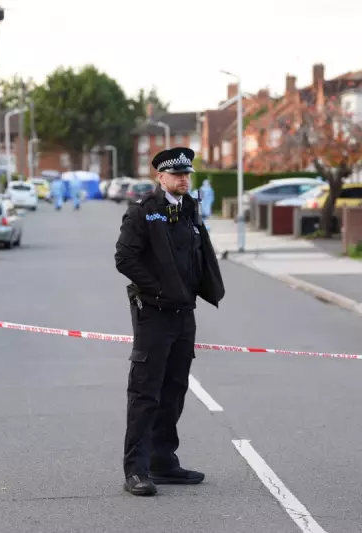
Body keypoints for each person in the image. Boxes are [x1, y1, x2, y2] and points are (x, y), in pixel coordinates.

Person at [114, 147, 226, 497]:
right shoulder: (144, 213)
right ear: (160, 177)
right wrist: (159, 290)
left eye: (186, 174)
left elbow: (198, 256)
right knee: (145, 393)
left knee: (174, 390)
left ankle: (164, 462)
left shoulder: (190, 210)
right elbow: (125, 258)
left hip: (184, 315)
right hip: (154, 315)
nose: (183, 179)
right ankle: (136, 470)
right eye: (176, 174)